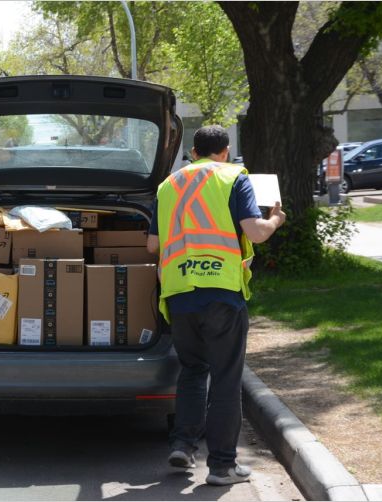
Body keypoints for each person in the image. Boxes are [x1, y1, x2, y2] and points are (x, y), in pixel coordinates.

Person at [146, 125, 286, 485]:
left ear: (193, 151)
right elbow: (254, 232)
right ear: (225, 151)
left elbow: (152, 247)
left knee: (192, 371)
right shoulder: (233, 178)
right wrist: (275, 220)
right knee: (225, 379)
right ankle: (222, 466)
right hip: (222, 292)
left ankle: (183, 444)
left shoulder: (167, 186)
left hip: (179, 293)